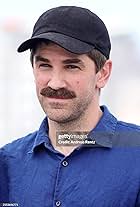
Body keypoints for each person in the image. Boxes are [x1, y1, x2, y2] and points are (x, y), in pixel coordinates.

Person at [1, 6, 140, 207]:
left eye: (71, 66)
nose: (55, 83)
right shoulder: (7, 163)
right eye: (45, 65)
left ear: (103, 74)